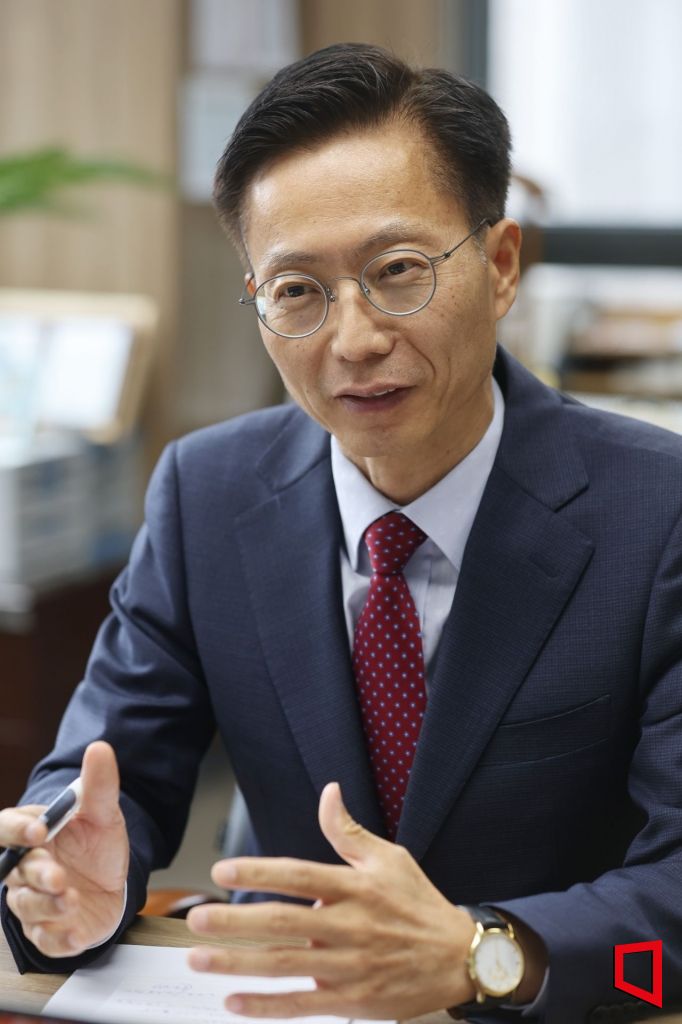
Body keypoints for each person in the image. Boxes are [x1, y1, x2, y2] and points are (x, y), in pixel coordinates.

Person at [1, 42, 681, 1024]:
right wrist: (68, 883)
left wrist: (483, 955)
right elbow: (107, 776)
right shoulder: (206, 493)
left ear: (500, 266)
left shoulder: (655, 514)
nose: (354, 340)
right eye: (296, 290)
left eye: (397, 271)